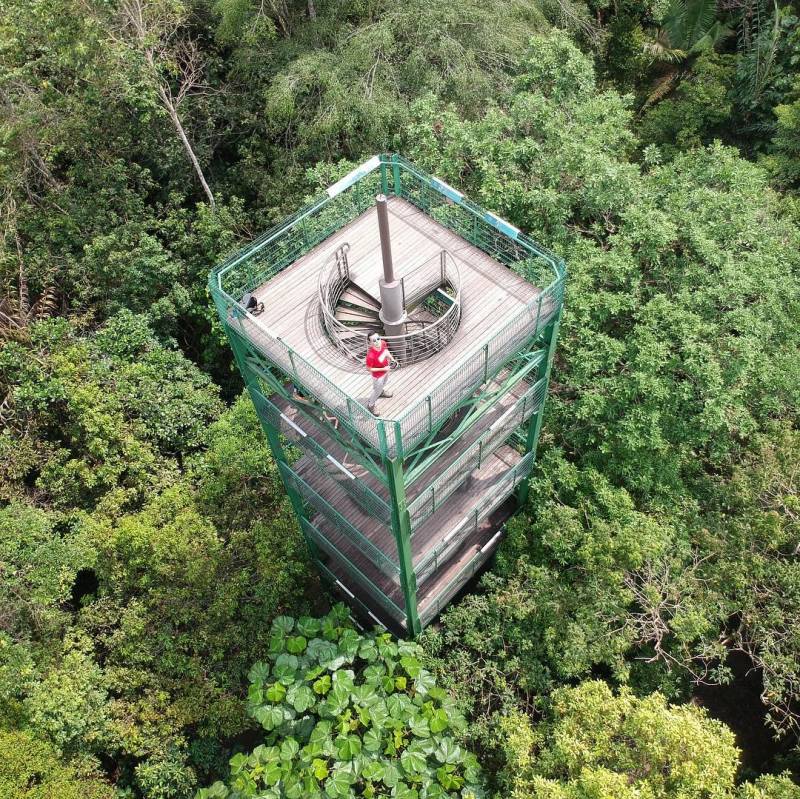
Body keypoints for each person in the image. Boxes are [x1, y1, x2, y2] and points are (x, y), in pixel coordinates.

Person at [365, 332, 396, 412]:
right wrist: (383, 369)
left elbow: (386, 351)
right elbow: (369, 369)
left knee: (384, 382)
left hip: (385, 370)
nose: (377, 342)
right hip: (378, 376)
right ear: (370, 343)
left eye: (378, 339)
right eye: (374, 340)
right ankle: (370, 405)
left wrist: (392, 359)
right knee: (376, 391)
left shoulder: (383, 343)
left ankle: (381, 392)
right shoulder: (371, 356)